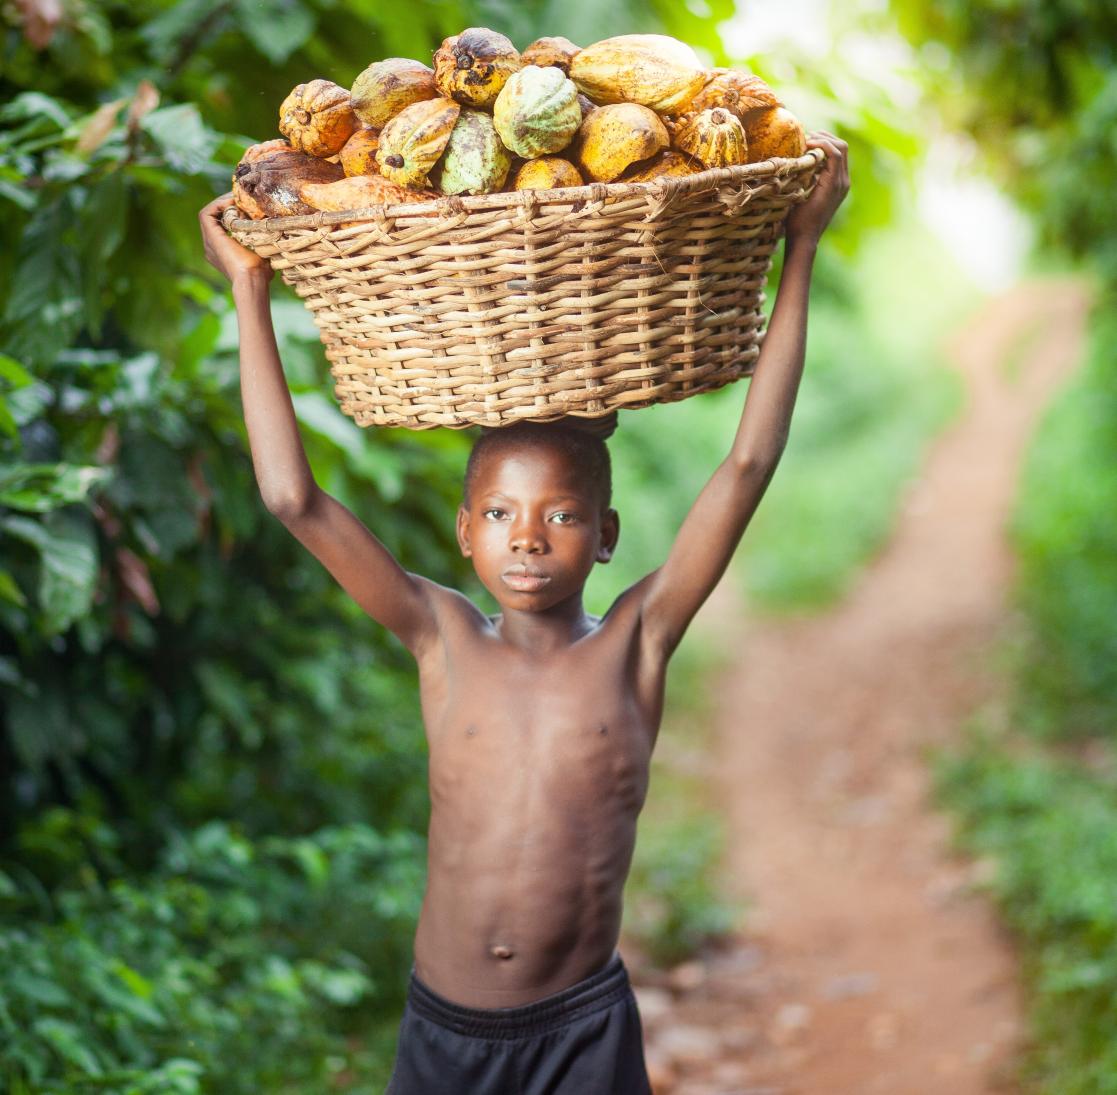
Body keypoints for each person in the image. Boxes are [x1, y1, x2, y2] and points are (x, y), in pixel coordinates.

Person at [198, 130, 849, 1094]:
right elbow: (294, 499)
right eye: (500, 513)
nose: (528, 536)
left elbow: (747, 462)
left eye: (561, 513)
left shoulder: (638, 640)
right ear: (465, 531)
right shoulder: (441, 637)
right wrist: (250, 290)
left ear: (607, 531)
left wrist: (800, 249)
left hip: (581, 1032)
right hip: (443, 1032)